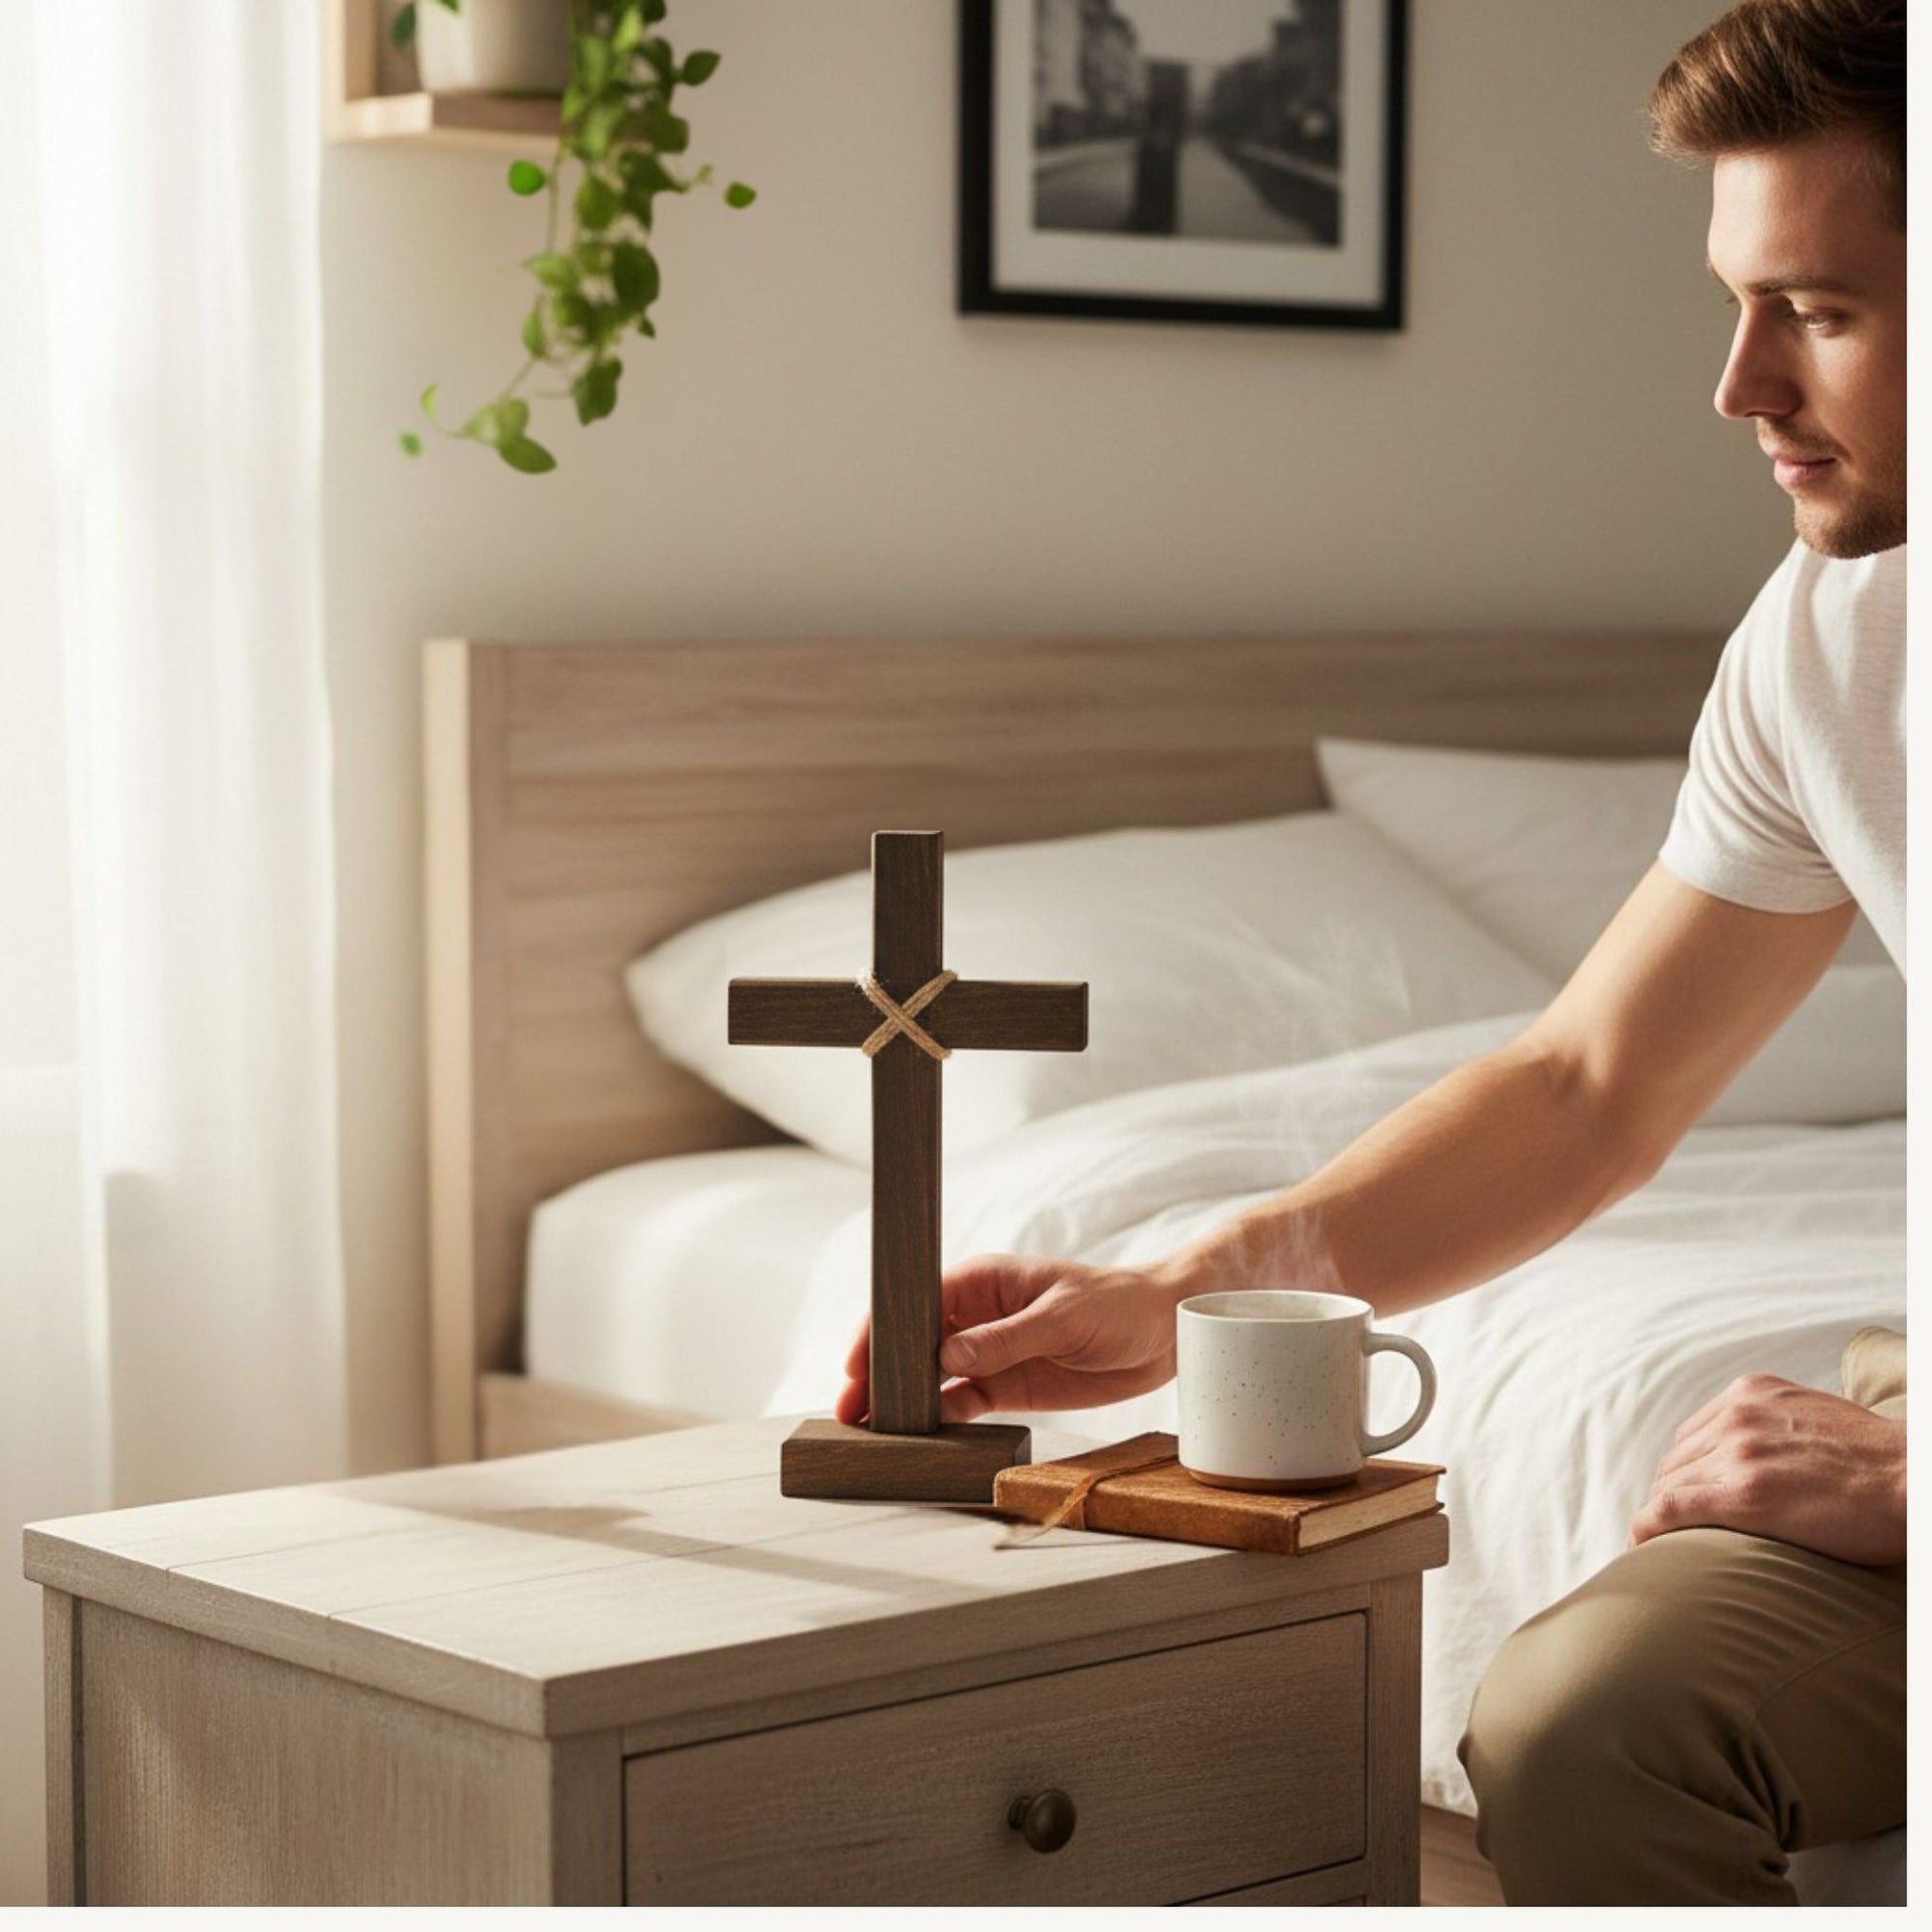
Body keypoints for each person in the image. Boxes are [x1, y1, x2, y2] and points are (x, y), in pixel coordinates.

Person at [836, 0, 1905, 1904]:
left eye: (1816, 312)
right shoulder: (1829, 641)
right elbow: (1591, 1083)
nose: (1736, 386)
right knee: (1585, 1722)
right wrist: (1194, 1284)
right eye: (1735, 302)